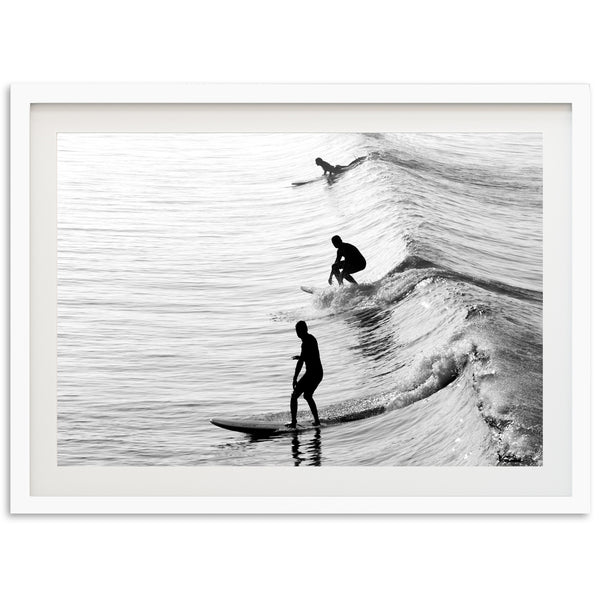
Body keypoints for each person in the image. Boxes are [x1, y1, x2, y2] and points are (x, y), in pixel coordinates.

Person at [287, 321, 322, 428]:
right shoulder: (310, 339)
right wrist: (301, 357)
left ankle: (293, 423)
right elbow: (306, 357)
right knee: (307, 395)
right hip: (317, 373)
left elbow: (302, 361)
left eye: (298, 330)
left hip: (313, 374)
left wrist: (294, 378)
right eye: (296, 330)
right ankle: (317, 421)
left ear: (303, 330)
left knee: (294, 396)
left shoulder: (307, 341)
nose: (297, 332)